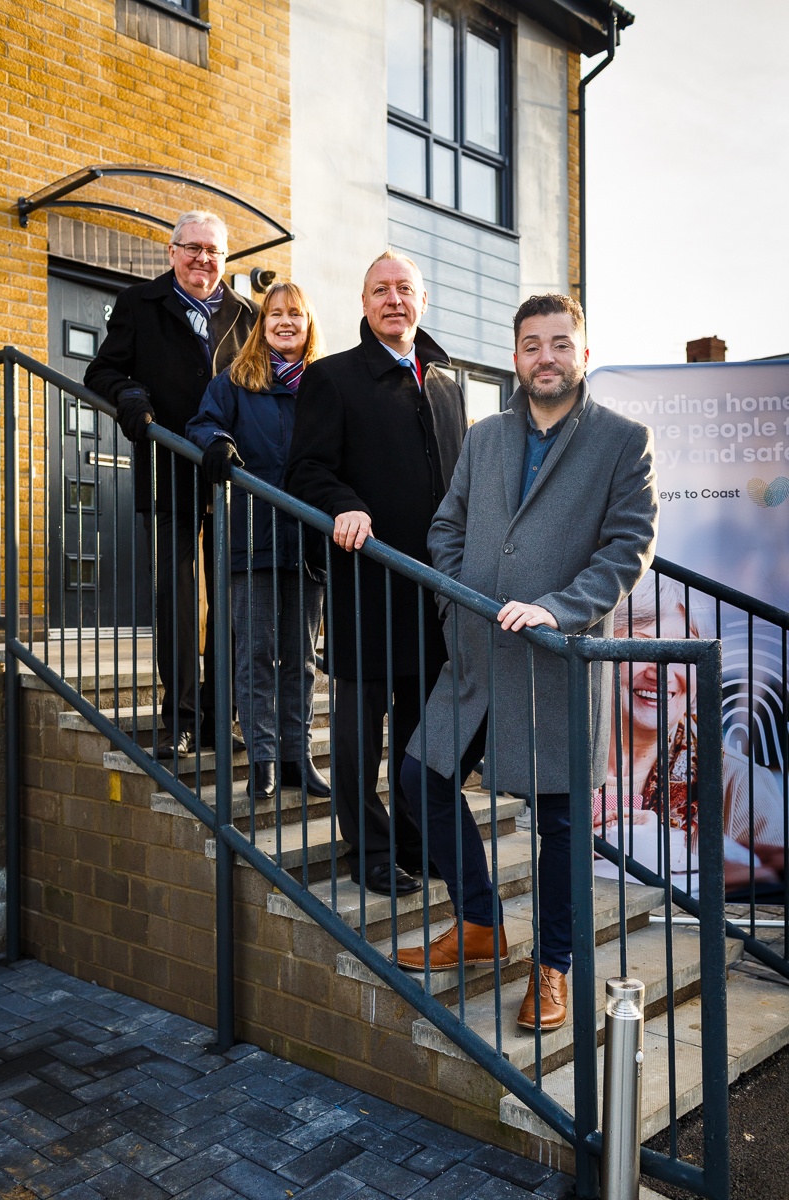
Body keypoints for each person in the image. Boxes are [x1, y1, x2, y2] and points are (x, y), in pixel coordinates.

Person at [394, 293, 659, 1033]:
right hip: (476, 654)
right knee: (421, 776)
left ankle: (555, 967)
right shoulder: (485, 438)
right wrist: (460, 598)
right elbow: (446, 526)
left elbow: (627, 548)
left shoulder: (621, 440)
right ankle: (479, 924)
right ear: (515, 356)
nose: (547, 357)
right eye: (532, 345)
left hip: (553, 660)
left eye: (560, 343)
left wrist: (560, 609)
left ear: (581, 350)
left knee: (559, 821)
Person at [285, 250, 467, 896]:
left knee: (423, 732)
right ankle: (370, 850)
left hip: (433, 590)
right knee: (360, 735)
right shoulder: (332, 378)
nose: (394, 299)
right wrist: (345, 505)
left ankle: (418, 843)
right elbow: (306, 469)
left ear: (422, 301)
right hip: (367, 580)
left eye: (405, 289)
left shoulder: (444, 382)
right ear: (364, 304)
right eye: (380, 290)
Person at [85, 210, 256, 757]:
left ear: (225, 259)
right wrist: (131, 394)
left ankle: (219, 715)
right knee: (177, 600)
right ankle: (180, 719)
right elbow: (101, 372)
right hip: (169, 469)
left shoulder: (245, 313)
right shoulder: (140, 304)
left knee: (230, 602)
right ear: (172, 251)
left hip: (229, 473)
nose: (204, 259)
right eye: (194, 248)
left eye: (215, 251)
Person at [186, 281, 330, 800]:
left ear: (308, 322)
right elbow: (201, 424)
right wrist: (219, 442)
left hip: (309, 544)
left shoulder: (325, 384)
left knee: (302, 657)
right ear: (262, 324)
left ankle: (298, 757)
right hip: (250, 538)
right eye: (275, 315)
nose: (285, 322)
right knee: (254, 654)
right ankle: (263, 759)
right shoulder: (235, 382)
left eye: (295, 313)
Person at [595, 574, 786, 896]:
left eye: (682, 653)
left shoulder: (739, 781)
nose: (661, 671)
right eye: (642, 646)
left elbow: (772, 906)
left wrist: (667, 850)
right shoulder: (542, 761)